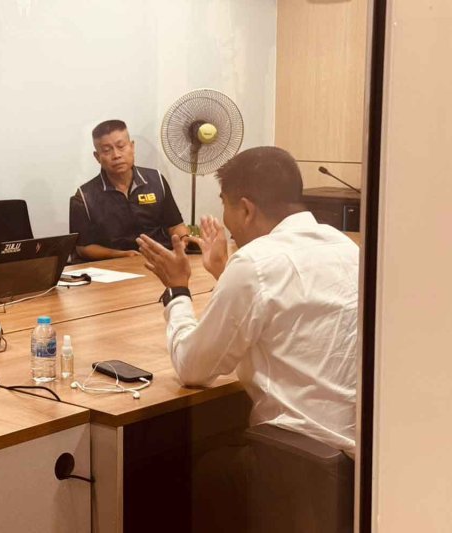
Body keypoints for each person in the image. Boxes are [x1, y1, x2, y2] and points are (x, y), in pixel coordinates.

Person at [137, 146, 358, 531]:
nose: (226, 223)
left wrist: (177, 291)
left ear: (246, 208)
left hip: (296, 461)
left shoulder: (256, 262)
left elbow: (193, 367)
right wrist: (225, 274)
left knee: (167, 469)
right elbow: (284, 312)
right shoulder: (345, 247)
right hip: (355, 461)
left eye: (224, 205)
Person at [69, 120, 189, 261]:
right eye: (107, 150)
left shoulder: (156, 180)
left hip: (160, 260)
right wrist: (121, 255)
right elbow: (83, 247)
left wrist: (183, 238)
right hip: (114, 266)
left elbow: (175, 225)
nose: (116, 155)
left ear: (132, 147)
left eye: (121, 146)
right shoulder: (84, 196)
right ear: (97, 157)